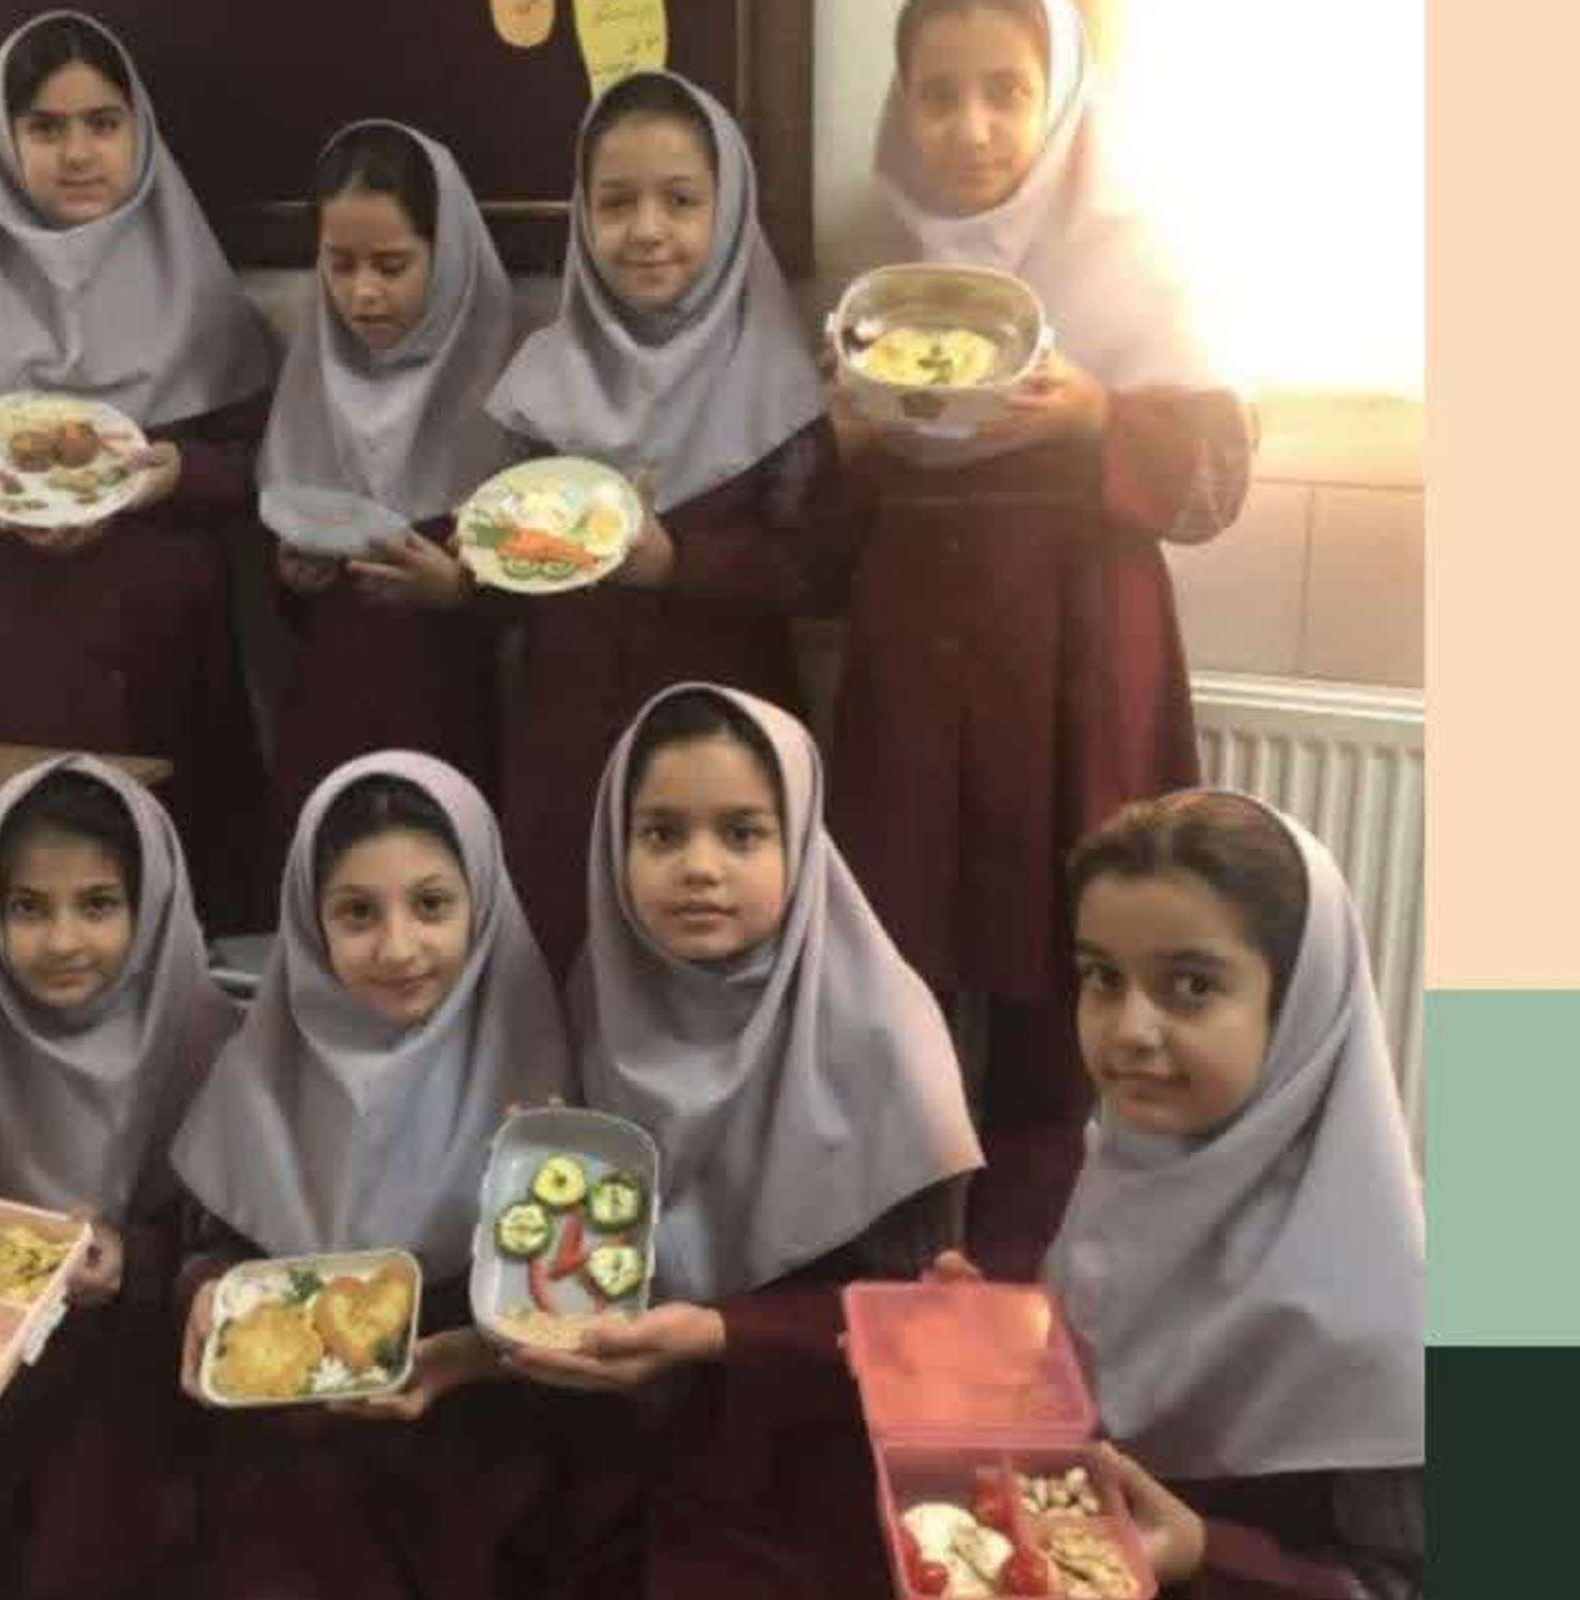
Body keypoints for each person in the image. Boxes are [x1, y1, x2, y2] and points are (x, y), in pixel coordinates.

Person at [827, 0, 1256, 1276]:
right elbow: (823, 525)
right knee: (895, 974)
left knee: (1074, 971)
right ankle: (902, 1281)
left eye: (1004, 91)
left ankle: (1050, 1286)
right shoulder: (874, 274)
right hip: (916, 659)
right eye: (937, 94)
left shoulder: (1128, 254)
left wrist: (1096, 415)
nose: (970, 128)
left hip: (1076, 658)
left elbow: (1213, 490)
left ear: (1058, 95)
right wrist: (846, 440)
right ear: (900, 105)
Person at [511, 684, 984, 1598]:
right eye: (660, 834)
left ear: (800, 843)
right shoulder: (603, 994)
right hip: (624, 1414)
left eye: (742, 834)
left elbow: (925, 1323)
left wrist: (721, 1335)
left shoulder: (886, 1036)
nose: (699, 868)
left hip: (810, 1438)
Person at [942, 790, 1424, 1597]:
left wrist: (1206, 1553)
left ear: (1298, 1004)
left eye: (1192, 986)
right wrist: (1001, 1342)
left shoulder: (1396, 1314)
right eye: (1103, 977)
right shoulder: (1114, 1174)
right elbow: (1094, 1413)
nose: (1128, 1030)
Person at [0, 9, 281, 933]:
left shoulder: (196, 286)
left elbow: (265, 466)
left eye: (103, 122)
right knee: (36, 895)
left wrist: (182, 476)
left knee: (183, 892)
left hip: (174, 650)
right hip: (23, 647)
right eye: (46, 127)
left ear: (139, 131)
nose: (78, 153)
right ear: (3, 140)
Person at [170, 753, 572, 1600]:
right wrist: (207, 1291)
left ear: (483, 905)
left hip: (486, 1469)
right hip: (295, 1474)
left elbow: (578, 1323)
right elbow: (210, 1244)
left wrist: (472, 1359)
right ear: (308, 921)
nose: (397, 948)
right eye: (357, 912)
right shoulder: (262, 1068)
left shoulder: (547, 1080)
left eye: (431, 905)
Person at [483, 72, 843, 978]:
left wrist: (678, 561)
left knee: (715, 973)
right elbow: (510, 558)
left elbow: (815, 573)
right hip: (566, 735)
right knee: (567, 959)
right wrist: (469, 568)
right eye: (615, 203)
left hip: (726, 741)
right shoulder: (542, 377)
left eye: (681, 201)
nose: (646, 230)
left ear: (730, 211)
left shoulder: (779, 380)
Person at [0, 755, 241, 1598]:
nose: (63, 941)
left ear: (149, 904)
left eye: (98, 904)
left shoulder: (206, 1036)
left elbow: (236, 1243)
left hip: (144, 1349)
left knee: (95, 1544)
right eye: (28, 907)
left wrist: (131, 1259)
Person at [259, 121, 513, 835]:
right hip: (328, 717)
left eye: (393, 265)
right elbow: (277, 610)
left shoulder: (509, 391)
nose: (363, 294)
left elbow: (546, 606)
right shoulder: (309, 379)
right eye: (339, 265)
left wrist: (461, 590)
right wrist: (294, 576)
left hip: (450, 716)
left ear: (447, 256)